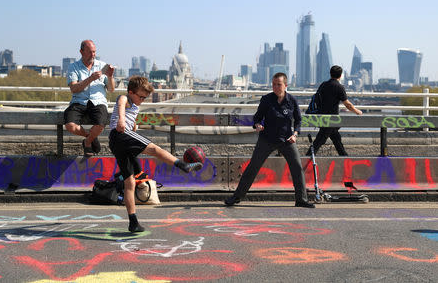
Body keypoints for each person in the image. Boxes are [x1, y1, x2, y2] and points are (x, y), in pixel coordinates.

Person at [109, 76, 203, 232]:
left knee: (130, 183)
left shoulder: (135, 105)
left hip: (116, 141)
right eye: (141, 97)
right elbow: (121, 104)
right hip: (120, 133)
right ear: (131, 92)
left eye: (145, 98)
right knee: (154, 149)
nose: (143, 100)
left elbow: (130, 116)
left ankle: (133, 222)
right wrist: (121, 119)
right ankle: (182, 165)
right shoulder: (125, 98)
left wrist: (133, 124)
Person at [225, 73, 315, 208]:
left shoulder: (292, 101)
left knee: (297, 167)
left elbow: (298, 120)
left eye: (279, 84)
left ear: (285, 85)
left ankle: (301, 200)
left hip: (286, 139)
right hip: (267, 139)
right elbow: (257, 117)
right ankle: (236, 197)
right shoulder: (266, 99)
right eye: (273, 84)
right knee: (252, 168)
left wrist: (295, 134)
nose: (276, 87)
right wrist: (257, 125)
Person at [64, 40, 115, 157]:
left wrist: (110, 76)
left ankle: (87, 142)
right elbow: (74, 89)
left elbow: (111, 89)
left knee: (101, 124)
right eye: (90, 52)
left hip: (98, 102)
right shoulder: (73, 67)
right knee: (70, 125)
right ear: (81, 52)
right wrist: (90, 79)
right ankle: (90, 136)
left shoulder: (102, 65)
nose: (93, 55)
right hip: (79, 101)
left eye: (94, 52)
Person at [306, 65, 363, 156]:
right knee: (319, 141)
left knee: (336, 140)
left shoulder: (323, 85)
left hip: (322, 117)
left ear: (330, 74)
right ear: (340, 75)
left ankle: (344, 158)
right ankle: (307, 158)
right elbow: (347, 104)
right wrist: (357, 112)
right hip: (331, 119)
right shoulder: (339, 87)